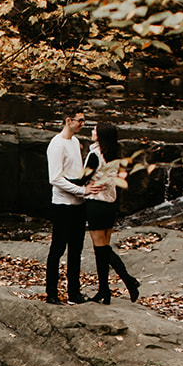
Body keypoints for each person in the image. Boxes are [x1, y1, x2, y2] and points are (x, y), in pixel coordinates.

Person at [73, 120, 140, 305]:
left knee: (101, 248)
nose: (92, 131)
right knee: (101, 249)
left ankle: (129, 280)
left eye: (95, 129)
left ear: (101, 135)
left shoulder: (94, 155)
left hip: (96, 205)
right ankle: (104, 290)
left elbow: (81, 180)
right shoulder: (113, 155)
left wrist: (62, 179)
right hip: (110, 205)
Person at [45, 108, 90, 304]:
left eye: (84, 121)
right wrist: (82, 191)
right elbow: (55, 178)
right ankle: (52, 293)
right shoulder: (56, 145)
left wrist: (86, 187)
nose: (83, 124)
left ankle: (74, 293)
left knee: (76, 250)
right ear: (68, 120)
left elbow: (76, 173)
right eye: (80, 121)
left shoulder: (75, 142)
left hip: (79, 205)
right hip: (63, 204)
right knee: (57, 249)